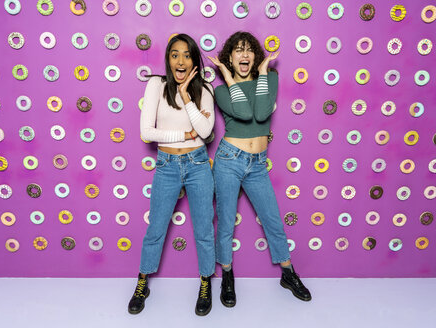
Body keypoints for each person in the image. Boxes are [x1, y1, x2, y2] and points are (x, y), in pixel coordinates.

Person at [208, 31, 312, 307]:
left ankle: (288, 273)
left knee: (273, 218)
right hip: (229, 160)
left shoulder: (270, 78)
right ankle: (227, 275)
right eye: (238, 51)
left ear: (255, 56)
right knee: (226, 221)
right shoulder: (220, 90)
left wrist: (264, 71)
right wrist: (229, 79)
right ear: (229, 58)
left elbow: (262, 113)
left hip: (257, 163)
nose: (244, 55)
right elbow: (243, 113)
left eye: (249, 50)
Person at [128, 33, 215, 316]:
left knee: (203, 229)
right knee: (156, 228)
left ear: (195, 61)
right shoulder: (156, 85)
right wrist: (184, 134)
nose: (180, 60)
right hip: (166, 165)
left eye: (187, 55)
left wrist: (187, 96)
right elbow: (146, 133)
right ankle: (143, 281)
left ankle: (205, 282)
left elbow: (205, 133)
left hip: (199, 165)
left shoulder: (207, 90)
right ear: (168, 58)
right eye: (175, 54)